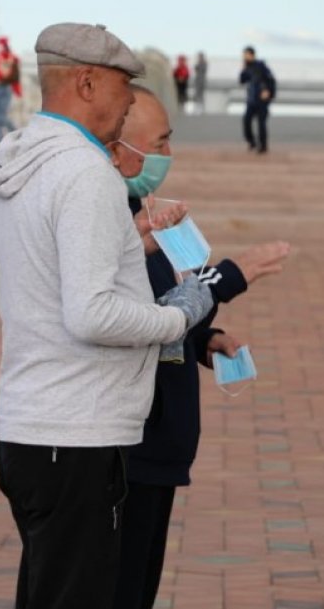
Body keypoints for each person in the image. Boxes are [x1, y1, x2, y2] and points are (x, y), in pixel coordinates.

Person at [0, 22, 217, 609]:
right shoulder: (87, 172)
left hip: (30, 427)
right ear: (86, 83)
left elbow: (51, 271)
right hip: (77, 438)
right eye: (123, 87)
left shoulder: (23, 159)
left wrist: (127, 243)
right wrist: (179, 316)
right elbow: (91, 314)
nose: (129, 103)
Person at [108, 86, 291, 609]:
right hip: (130, 447)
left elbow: (158, 313)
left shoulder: (134, 209)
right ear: (119, 148)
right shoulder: (108, 220)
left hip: (157, 445)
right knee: (118, 586)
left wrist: (204, 341)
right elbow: (128, 314)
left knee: (138, 585)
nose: (168, 155)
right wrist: (228, 277)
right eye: (159, 143)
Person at [239, 46, 275, 153]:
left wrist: (268, 92)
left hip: (261, 100)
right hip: (251, 100)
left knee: (261, 123)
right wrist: (243, 69)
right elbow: (241, 80)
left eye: (246, 55)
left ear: (252, 55)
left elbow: (271, 80)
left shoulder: (261, 65)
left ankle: (263, 146)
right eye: (244, 55)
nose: (245, 57)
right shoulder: (247, 67)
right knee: (246, 121)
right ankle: (252, 142)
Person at [0, 36, 22, 140]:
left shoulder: (13, 59)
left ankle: (17, 134)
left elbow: (15, 76)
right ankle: (0, 142)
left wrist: (17, 88)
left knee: (1, 118)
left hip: (4, 88)